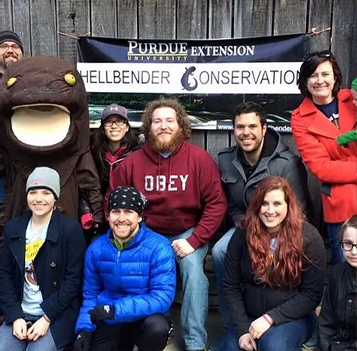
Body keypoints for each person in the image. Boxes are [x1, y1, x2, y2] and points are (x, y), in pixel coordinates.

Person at [109, 98, 227, 351]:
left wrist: (194, 241)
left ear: (181, 126)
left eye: (169, 121)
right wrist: (133, 237)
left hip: (188, 232)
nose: (163, 126)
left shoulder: (200, 160)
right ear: (148, 127)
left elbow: (216, 204)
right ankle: (149, 334)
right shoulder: (132, 163)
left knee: (194, 272)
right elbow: (113, 199)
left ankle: (195, 343)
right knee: (136, 271)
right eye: (157, 121)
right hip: (147, 233)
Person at [211, 101, 310, 350]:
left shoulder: (286, 163)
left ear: (264, 128)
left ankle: (279, 319)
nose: (246, 132)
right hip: (244, 226)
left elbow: (298, 209)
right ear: (233, 130)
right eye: (240, 127)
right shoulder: (225, 159)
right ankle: (232, 325)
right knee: (221, 251)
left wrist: (268, 231)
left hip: (280, 228)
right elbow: (228, 205)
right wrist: (248, 226)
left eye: (253, 126)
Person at [223, 176, 326, 351]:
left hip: (292, 317)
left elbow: (311, 294)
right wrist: (241, 330)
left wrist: (269, 318)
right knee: (234, 347)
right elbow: (230, 284)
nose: (270, 210)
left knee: (272, 345)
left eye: (277, 203)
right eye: (264, 203)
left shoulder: (308, 237)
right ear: (257, 206)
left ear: (288, 205)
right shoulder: (243, 233)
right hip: (249, 315)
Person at [74, 186, 176, 351]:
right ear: (108, 216)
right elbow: (90, 295)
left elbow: (162, 297)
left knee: (157, 327)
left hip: (142, 319)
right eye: (116, 212)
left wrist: (116, 310)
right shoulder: (96, 248)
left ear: (140, 217)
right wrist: (84, 330)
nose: (121, 218)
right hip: (109, 319)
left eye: (128, 212)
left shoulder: (159, 246)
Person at [0, 166, 86, 351]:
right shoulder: (14, 228)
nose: (38, 199)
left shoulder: (70, 230)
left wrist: (47, 318)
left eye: (46, 192)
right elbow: (4, 275)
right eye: (33, 192)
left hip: (55, 314)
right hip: (20, 312)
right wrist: (15, 316)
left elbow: (73, 281)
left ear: (55, 197)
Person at [291, 50, 357, 265]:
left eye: (325, 74)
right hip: (341, 205)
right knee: (346, 276)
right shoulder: (299, 118)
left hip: (342, 190)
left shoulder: (353, 98)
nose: (320, 81)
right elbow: (321, 168)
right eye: (313, 75)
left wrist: (342, 166)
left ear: (335, 76)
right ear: (305, 80)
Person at [318, 215, 357, 351]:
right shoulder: (337, 273)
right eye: (348, 244)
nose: (353, 251)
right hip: (336, 344)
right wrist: (326, 347)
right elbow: (326, 321)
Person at [90, 103, 141, 197]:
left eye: (119, 121)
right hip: (97, 204)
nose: (114, 126)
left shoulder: (138, 151)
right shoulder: (92, 151)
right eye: (109, 122)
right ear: (103, 127)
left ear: (127, 127)